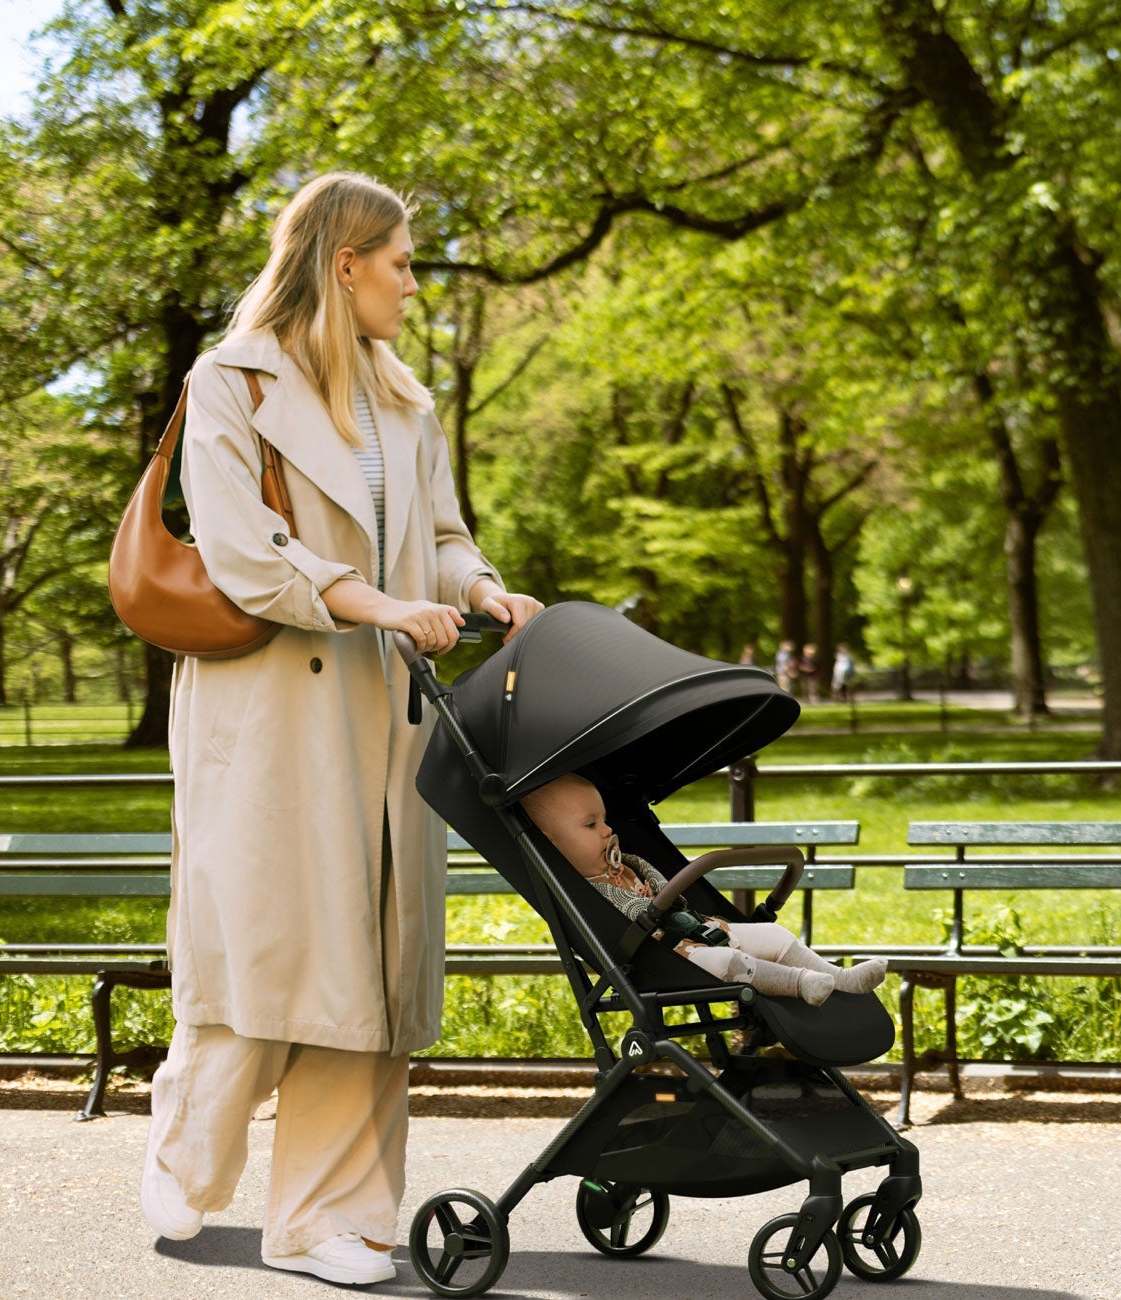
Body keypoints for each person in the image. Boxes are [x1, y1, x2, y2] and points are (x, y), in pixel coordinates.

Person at [138, 173, 544, 1287]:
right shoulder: (229, 381)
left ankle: (326, 1220)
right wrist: (379, 604)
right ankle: (187, 1145)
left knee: (366, 969)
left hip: (384, 714)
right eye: (402, 263)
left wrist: (483, 588)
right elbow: (243, 549)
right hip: (269, 712)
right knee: (265, 948)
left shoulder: (404, 403)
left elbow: (444, 537)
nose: (414, 285)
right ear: (345, 262)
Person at [519, 774, 886, 1004]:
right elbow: (621, 921)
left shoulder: (627, 864)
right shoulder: (582, 891)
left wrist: (657, 890)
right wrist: (644, 906)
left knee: (772, 934)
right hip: (669, 958)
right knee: (726, 962)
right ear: (552, 844)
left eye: (604, 820)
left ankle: (842, 978)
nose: (606, 830)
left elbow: (663, 885)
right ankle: (801, 983)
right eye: (590, 825)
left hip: (699, 926)